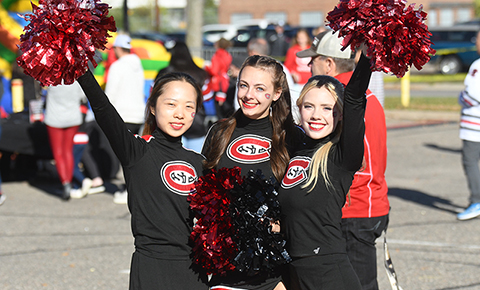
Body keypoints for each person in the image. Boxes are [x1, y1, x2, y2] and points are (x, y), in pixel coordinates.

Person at [77, 69, 209, 289]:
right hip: (150, 270)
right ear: (152, 108)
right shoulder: (136, 153)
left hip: (194, 274)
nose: (180, 114)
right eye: (171, 104)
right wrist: (81, 70)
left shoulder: (201, 163)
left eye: (189, 106)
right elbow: (103, 109)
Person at [296, 30, 390, 290]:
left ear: (328, 64)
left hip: (355, 209)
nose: (308, 65)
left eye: (312, 60)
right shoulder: (366, 96)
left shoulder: (347, 100)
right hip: (369, 204)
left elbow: (359, 164)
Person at [277, 41, 372, 290]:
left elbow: (353, 99)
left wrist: (369, 54)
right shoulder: (296, 149)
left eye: (327, 108)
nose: (316, 115)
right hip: (294, 270)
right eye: (309, 106)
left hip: (328, 273)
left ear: (339, 115)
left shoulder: (341, 156)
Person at [202, 54, 298, 290]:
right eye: (243, 85)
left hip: (275, 276)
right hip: (226, 274)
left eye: (259, 88)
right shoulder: (219, 132)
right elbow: (202, 196)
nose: (248, 95)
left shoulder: (293, 138)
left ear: (276, 93)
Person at [104, 34, 146, 204]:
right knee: (134, 154)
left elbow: (110, 94)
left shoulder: (117, 66)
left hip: (123, 115)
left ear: (117, 49)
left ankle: (129, 190)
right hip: (138, 114)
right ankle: (133, 188)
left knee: (125, 156)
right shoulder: (138, 65)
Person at [155, 41, 209, 153]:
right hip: (196, 124)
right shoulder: (201, 73)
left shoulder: (163, 73)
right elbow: (208, 98)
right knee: (196, 165)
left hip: (169, 127)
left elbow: (153, 96)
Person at [44, 81, 87, 200]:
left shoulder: (50, 77)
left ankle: (65, 183)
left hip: (54, 117)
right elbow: (82, 95)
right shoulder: (76, 75)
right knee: (68, 151)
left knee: (58, 153)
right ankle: (70, 182)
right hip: (73, 117)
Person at [457, 29, 480, 221]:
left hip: (475, 126)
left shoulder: (477, 66)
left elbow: (471, 95)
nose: (476, 42)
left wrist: (460, 97)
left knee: (470, 162)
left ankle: (476, 200)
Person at [204, 37, 232, 119]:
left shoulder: (217, 55)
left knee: (218, 108)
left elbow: (214, 70)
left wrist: (206, 67)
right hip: (225, 81)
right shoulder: (227, 54)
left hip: (217, 82)